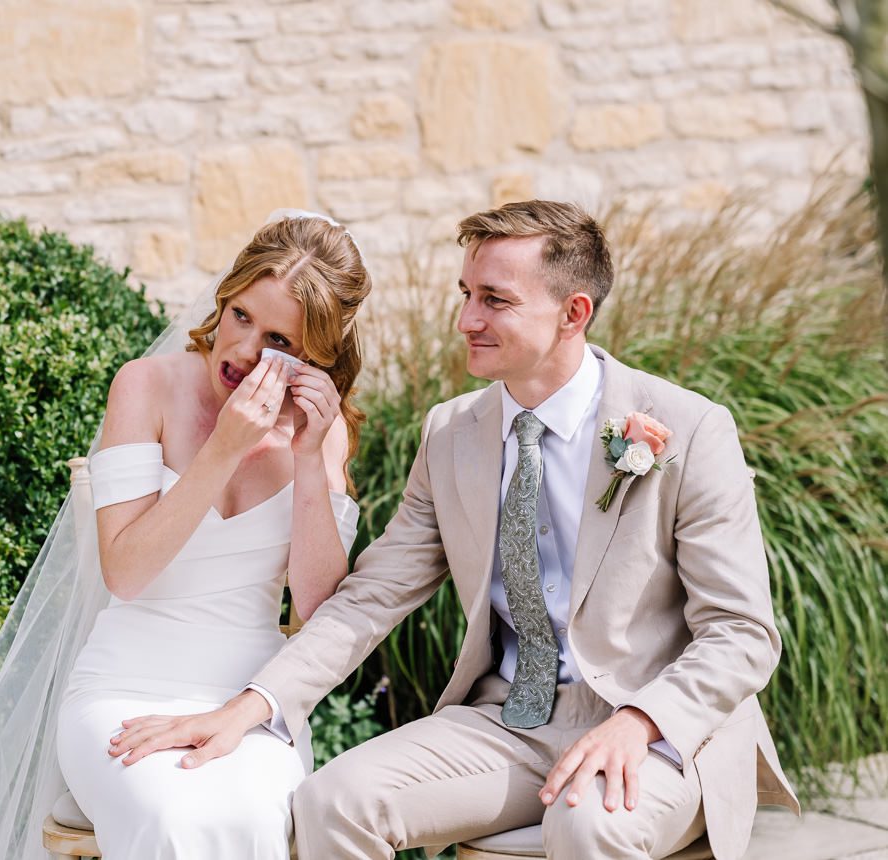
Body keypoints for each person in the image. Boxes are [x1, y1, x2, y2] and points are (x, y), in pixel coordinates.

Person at [109, 200, 800, 860]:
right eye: (464, 293)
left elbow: (742, 632)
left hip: (657, 733)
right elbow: (368, 597)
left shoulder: (689, 427)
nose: (467, 318)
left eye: (494, 299)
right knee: (331, 802)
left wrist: (641, 722)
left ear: (573, 313)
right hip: (509, 725)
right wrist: (253, 707)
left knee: (586, 821)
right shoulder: (451, 435)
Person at [0, 211, 372, 860]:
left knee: (257, 818)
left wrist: (310, 460)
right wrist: (222, 450)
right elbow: (126, 573)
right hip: (122, 689)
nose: (245, 349)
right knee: (172, 818)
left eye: (279, 338)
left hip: (247, 706)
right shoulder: (147, 387)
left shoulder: (321, 428)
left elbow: (314, 609)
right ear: (224, 299)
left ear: (313, 354)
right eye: (241, 315)